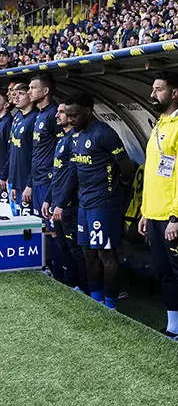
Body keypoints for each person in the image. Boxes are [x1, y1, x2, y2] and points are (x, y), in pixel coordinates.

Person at [139, 72, 178, 345]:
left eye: (159, 89)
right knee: (165, 273)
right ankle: (174, 326)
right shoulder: (161, 123)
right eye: (153, 89)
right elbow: (153, 172)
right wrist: (145, 211)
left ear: (175, 93)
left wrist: (177, 215)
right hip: (154, 213)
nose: (153, 94)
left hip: (171, 216)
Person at [64, 91, 136, 308]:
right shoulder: (76, 135)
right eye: (68, 115)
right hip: (84, 202)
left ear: (88, 111)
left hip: (104, 203)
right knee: (88, 251)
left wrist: (118, 187)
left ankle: (111, 303)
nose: (70, 120)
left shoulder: (104, 133)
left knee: (105, 252)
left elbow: (126, 165)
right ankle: (96, 299)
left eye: (74, 115)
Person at [46, 102, 87, 293]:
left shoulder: (74, 140)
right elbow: (57, 173)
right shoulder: (62, 139)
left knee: (75, 248)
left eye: (61, 112)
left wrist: (61, 203)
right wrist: (48, 199)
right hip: (57, 202)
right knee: (63, 246)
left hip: (69, 204)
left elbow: (72, 175)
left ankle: (85, 288)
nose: (57, 115)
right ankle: (71, 283)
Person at [27, 75, 61, 276]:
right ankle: (49, 267)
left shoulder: (53, 114)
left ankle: (61, 274)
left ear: (46, 91)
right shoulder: (39, 115)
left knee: (53, 229)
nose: (29, 91)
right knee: (44, 228)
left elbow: (61, 148)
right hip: (38, 180)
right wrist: (30, 182)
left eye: (33, 87)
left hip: (49, 181)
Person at [8, 79, 36, 216]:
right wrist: (13, 183)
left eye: (21, 94)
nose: (16, 97)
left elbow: (37, 155)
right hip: (17, 183)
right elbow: (13, 152)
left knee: (30, 224)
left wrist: (29, 184)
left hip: (28, 183)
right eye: (15, 94)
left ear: (29, 96)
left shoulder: (35, 118)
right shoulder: (17, 116)